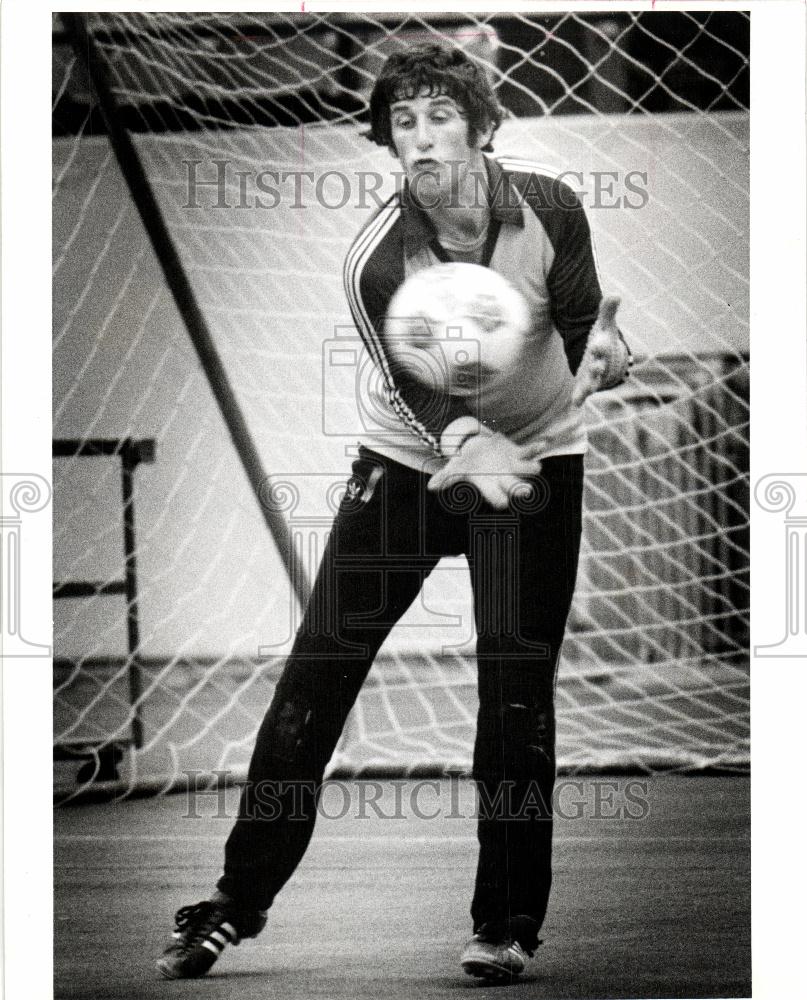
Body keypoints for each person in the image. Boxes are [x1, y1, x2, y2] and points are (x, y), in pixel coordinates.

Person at [156, 42, 631, 983]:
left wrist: (609, 346)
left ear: (482, 125)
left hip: (535, 460)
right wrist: (464, 441)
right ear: (386, 140)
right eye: (401, 122)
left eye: (437, 116)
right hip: (411, 464)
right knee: (316, 680)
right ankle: (233, 903)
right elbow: (416, 393)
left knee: (515, 701)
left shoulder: (551, 209)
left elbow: (584, 324)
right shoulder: (376, 255)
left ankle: (504, 925)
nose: (418, 138)